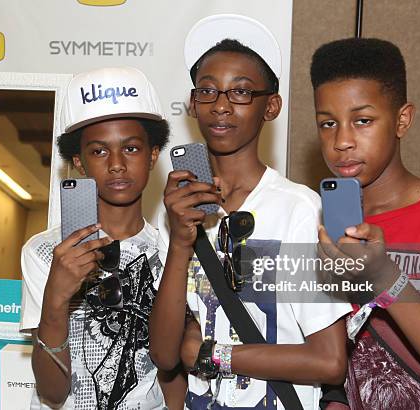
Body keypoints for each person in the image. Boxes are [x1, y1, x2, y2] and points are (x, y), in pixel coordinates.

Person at [149, 14, 352, 409]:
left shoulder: (297, 209)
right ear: (192, 104)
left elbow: (329, 361)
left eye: (241, 93)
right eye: (208, 92)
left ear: (270, 106)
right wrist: (178, 242)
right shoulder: (178, 208)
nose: (221, 106)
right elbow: (164, 355)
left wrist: (212, 355)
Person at [311, 38, 420, 409]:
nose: (342, 140)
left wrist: (384, 278)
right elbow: (335, 353)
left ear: (402, 119)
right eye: (328, 123)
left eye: (362, 120)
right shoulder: (324, 225)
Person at [19, 67, 185, 409]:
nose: (117, 164)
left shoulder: (173, 250)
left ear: (153, 155)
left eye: (132, 148)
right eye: (98, 151)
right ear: (79, 162)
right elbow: (52, 393)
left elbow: (172, 378)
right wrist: (55, 302)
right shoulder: (45, 252)